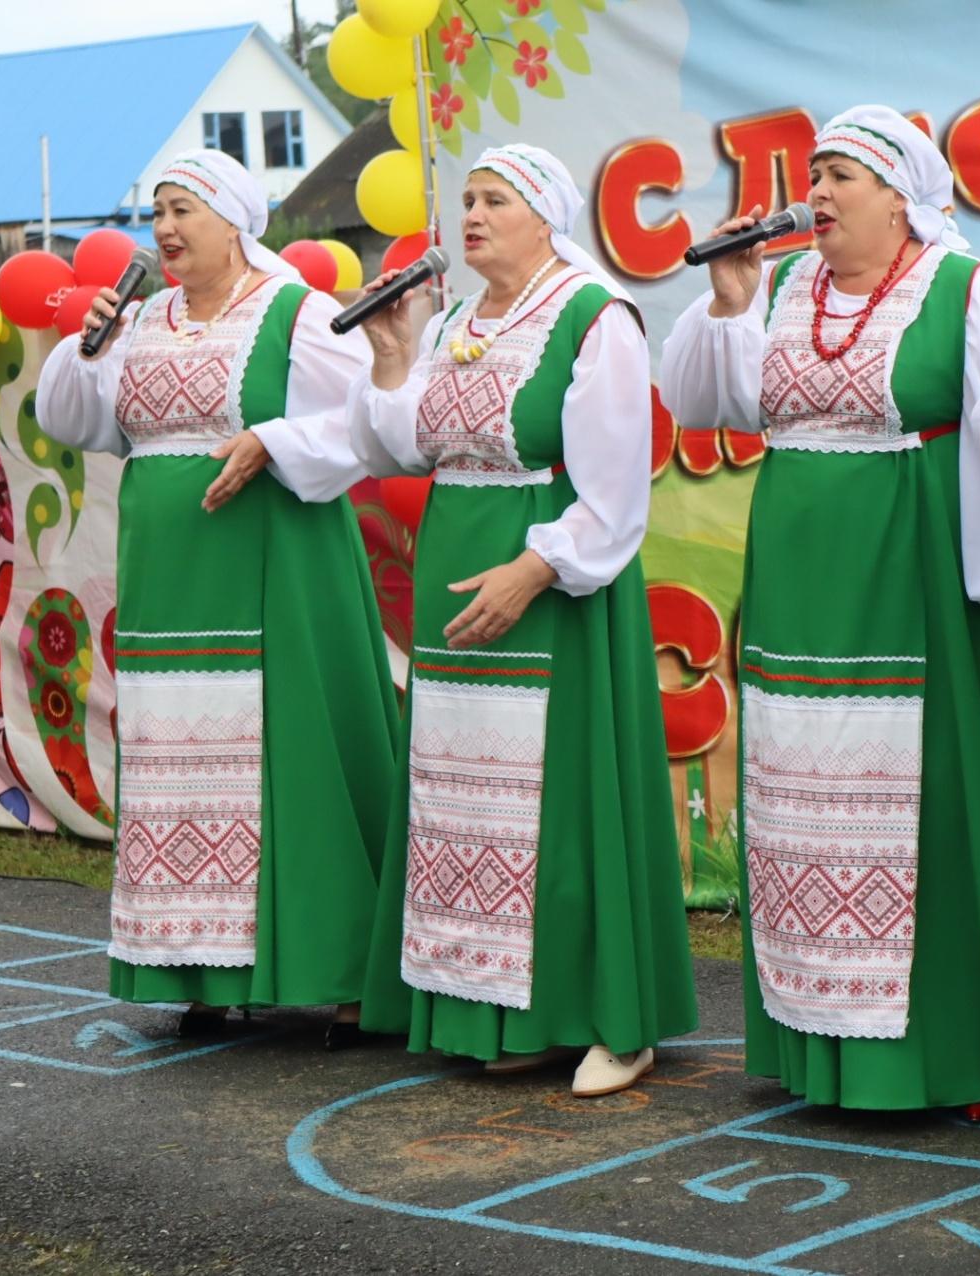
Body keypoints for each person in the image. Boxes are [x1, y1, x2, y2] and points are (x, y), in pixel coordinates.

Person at [660, 105, 980, 1114]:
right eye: (814, 173)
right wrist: (727, 300)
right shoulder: (789, 285)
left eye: (841, 174)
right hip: (800, 587)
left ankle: (964, 1053)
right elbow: (707, 400)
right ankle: (822, 1046)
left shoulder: (962, 290)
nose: (820, 192)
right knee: (805, 796)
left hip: (916, 571)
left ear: (899, 194)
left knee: (935, 798)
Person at [295, 145, 696, 1093]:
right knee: (460, 797)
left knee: (557, 799)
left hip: (547, 584)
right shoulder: (458, 322)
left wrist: (534, 568)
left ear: (544, 212)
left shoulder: (596, 318)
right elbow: (398, 444)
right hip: (455, 573)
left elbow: (614, 491)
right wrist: (393, 356)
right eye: (466, 199)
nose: (471, 215)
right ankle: (474, 1008)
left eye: (494, 199)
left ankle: (601, 1016)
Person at [35, 148, 403, 1049]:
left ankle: (349, 974)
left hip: (278, 561)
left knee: (296, 753)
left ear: (234, 221)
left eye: (183, 211)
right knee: (181, 761)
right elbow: (75, 422)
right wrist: (87, 351)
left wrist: (273, 440)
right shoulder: (140, 319)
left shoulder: (297, 314)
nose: (163, 230)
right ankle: (204, 969)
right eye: (155, 211)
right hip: (171, 576)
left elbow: (373, 420)